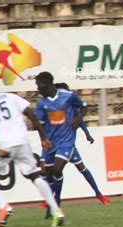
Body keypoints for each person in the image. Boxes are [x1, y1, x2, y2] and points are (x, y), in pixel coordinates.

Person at [35, 72, 109, 219]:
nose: (37, 89)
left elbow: (83, 109)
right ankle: (51, 203)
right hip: (50, 143)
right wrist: (43, 140)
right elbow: (40, 125)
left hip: (67, 143)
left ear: (47, 84)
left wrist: (81, 123)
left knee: (64, 169)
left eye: (39, 85)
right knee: (47, 174)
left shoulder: (68, 98)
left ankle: (59, 203)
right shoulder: (42, 104)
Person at [0, 81, 64, 227]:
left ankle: (4, 206)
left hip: (3, 143)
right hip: (21, 141)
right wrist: (43, 137)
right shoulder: (11, 97)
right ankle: (57, 210)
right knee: (34, 176)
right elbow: (31, 115)